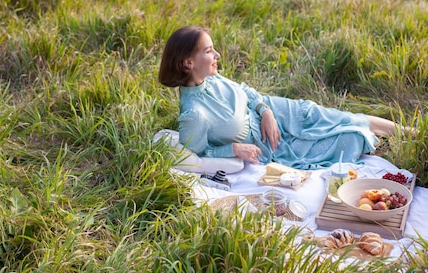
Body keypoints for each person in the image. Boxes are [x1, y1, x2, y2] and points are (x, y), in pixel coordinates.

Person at [159, 26, 407, 170]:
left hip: (275, 112)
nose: (218, 54)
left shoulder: (210, 77)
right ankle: (393, 149)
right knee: (346, 139)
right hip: (272, 144)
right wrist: (233, 148)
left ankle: (410, 133)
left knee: (335, 116)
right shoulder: (194, 114)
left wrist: (265, 110)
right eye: (209, 51)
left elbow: (245, 91)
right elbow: (198, 155)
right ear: (188, 62)